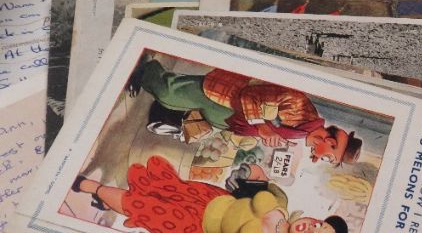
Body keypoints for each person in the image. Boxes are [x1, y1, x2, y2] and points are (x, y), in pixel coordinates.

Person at [72, 155, 350, 233]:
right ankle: (104, 198)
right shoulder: (281, 200)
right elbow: (259, 176)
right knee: (157, 190)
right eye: (320, 224)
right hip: (207, 197)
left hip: (196, 231)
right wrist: (245, 172)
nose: (313, 227)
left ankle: (91, 187)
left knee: (143, 207)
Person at [127, 57, 361, 166]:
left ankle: (154, 92)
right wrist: (263, 128)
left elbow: (268, 127)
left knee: (178, 115)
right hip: (225, 96)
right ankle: (146, 68)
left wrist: (262, 134)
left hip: (226, 118)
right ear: (329, 142)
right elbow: (250, 95)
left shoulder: (301, 133)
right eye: (328, 157)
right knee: (168, 92)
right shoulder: (299, 105)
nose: (318, 158)